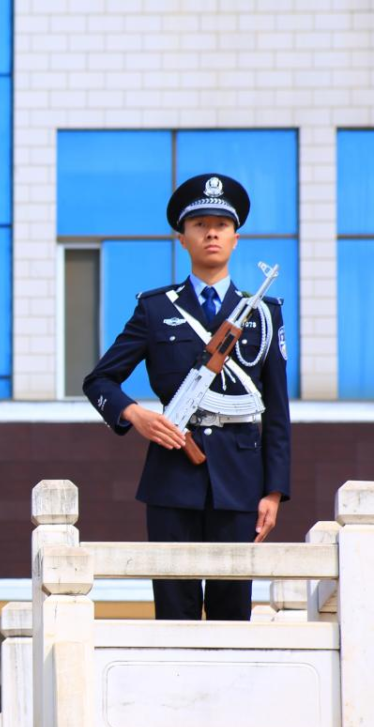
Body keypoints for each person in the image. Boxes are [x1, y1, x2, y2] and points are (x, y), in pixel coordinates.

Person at [83, 173, 291, 621]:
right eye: (200, 225)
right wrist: (135, 415)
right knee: (174, 610)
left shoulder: (263, 314)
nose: (211, 233)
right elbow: (99, 381)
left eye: (221, 225)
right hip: (172, 475)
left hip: (241, 480)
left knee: (232, 611)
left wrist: (273, 491)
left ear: (235, 238)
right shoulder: (156, 309)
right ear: (182, 238)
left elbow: (277, 410)